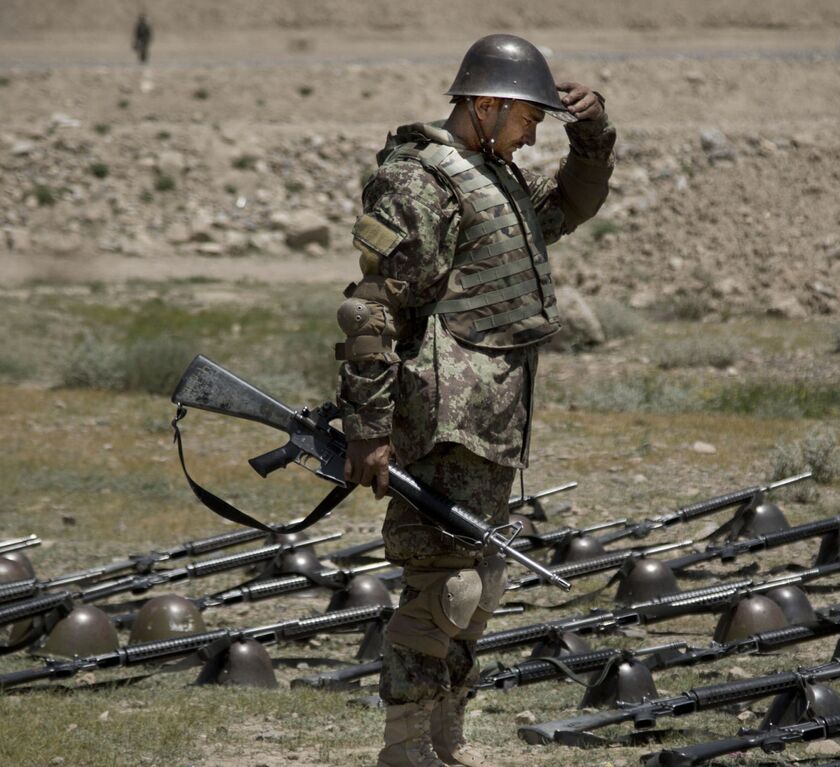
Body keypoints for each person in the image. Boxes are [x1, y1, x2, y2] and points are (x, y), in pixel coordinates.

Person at [334, 33, 614, 767]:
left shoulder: (495, 177)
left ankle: (444, 739)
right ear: (484, 105)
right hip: (442, 422)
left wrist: (593, 134)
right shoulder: (419, 180)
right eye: (529, 118)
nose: (533, 134)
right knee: (442, 591)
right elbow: (372, 311)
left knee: (478, 587)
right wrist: (368, 429)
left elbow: (570, 207)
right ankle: (403, 749)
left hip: (491, 420)